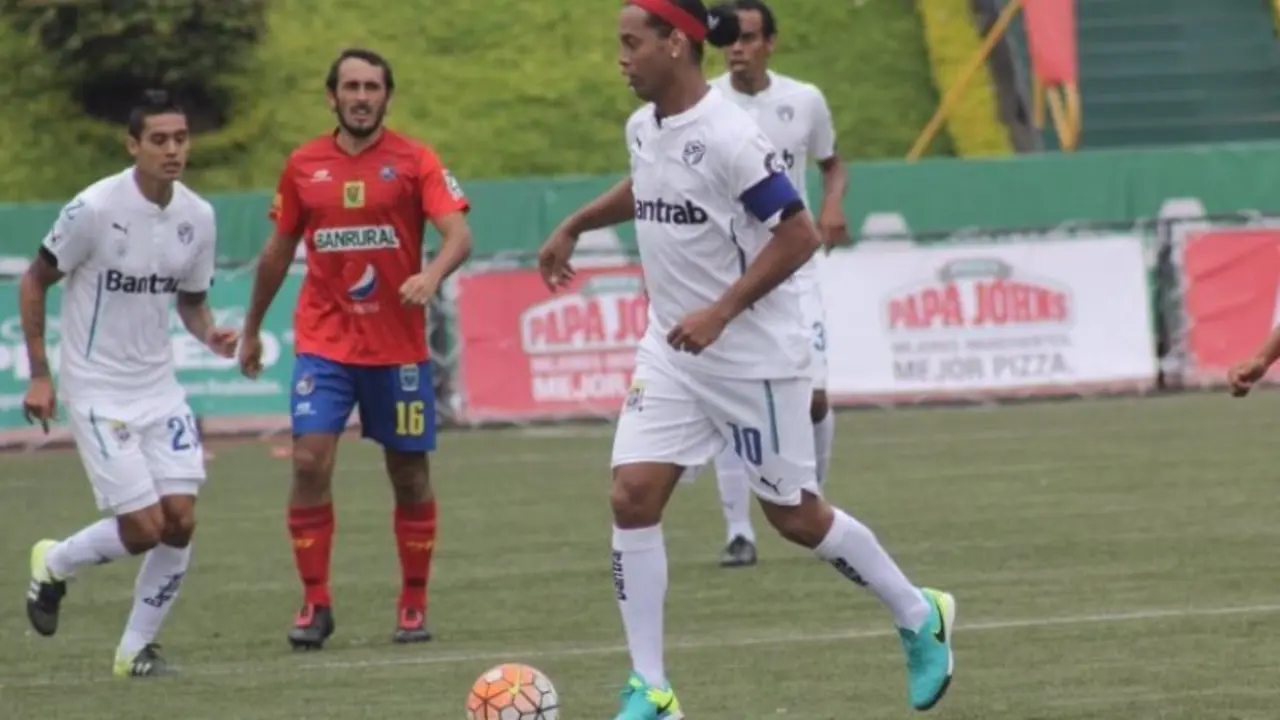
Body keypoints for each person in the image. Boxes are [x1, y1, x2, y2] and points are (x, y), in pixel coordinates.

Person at [537, 1, 955, 716]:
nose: (621, 57)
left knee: (793, 517)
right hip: (672, 349)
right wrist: (575, 223)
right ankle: (653, 688)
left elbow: (798, 236)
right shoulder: (645, 127)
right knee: (631, 496)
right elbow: (649, 185)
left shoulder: (734, 137)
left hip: (752, 357)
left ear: (676, 44)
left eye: (632, 43)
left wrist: (721, 311)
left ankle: (921, 613)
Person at [237, 48, 474, 650]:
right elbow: (277, 251)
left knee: (409, 474)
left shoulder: (416, 160)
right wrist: (250, 328)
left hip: (398, 351)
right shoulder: (303, 167)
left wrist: (432, 275)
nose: (361, 96)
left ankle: (413, 604)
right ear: (333, 96)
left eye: (372, 87)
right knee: (310, 461)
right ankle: (315, 604)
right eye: (351, 86)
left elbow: (459, 234)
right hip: (325, 344)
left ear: (386, 97)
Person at [20, 89, 239, 678]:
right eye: (159, 140)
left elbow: (192, 304)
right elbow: (34, 282)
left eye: (181, 139)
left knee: (182, 518)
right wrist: (41, 374)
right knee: (143, 528)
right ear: (133, 146)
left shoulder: (198, 216)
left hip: (157, 388)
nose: (172, 150)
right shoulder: (94, 208)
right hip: (96, 389)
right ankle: (55, 563)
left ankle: (134, 650)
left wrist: (211, 332)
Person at [707, 0, 849, 567]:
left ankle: (813, 505)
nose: (736, 49)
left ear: (770, 43)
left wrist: (833, 204)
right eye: (729, 40)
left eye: (746, 38)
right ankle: (739, 529)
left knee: (815, 398)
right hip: (730, 269)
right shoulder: (709, 103)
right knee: (731, 400)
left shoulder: (804, 100)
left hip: (795, 268)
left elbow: (831, 163)